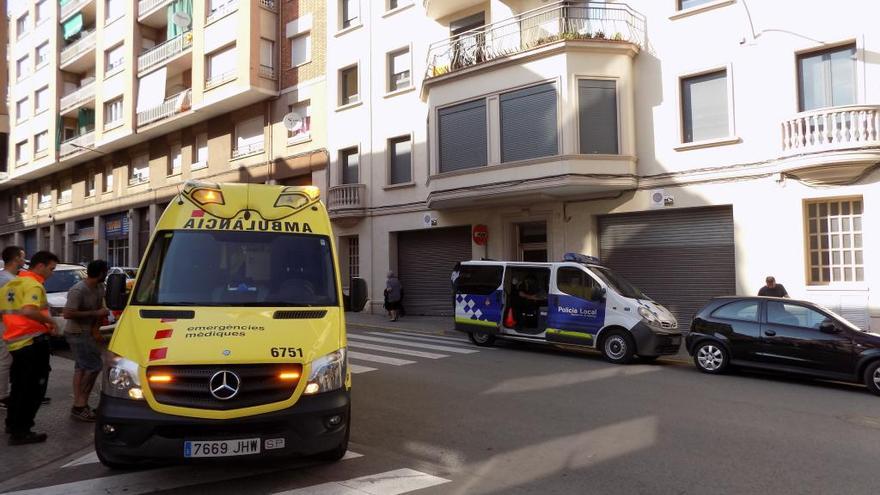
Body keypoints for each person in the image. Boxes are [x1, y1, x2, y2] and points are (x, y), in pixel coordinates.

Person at [2, 251, 59, 445]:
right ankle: (22, 431)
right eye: (52, 269)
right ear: (40, 266)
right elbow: (28, 310)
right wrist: (51, 322)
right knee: (34, 389)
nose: (52, 273)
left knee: (18, 387)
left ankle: (12, 424)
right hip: (33, 343)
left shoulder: (11, 284)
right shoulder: (33, 285)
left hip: (15, 342)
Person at [63, 260, 110, 422]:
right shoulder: (78, 290)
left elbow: (100, 309)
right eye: (106, 272)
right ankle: (79, 406)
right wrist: (95, 313)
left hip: (88, 333)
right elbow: (67, 314)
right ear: (101, 273)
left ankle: (80, 404)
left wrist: (96, 329)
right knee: (93, 366)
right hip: (76, 333)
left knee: (81, 368)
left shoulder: (99, 288)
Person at [0, 246, 26, 410]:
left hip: (10, 325)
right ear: (16, 259)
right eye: (23, 257)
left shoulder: (10, 277)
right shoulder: (6, 279)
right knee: (5, 360)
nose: (24, 260)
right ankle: (2, 396)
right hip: (5, 325)